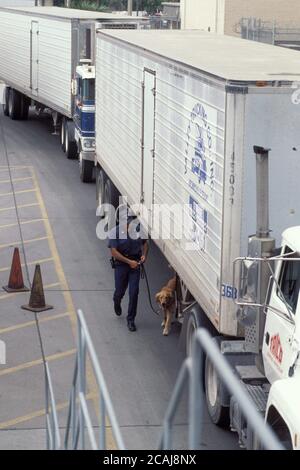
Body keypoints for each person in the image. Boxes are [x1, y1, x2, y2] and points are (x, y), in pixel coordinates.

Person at [108, 216, 149, 332]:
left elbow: (145, 244)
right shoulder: (114, 232)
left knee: (134, 292)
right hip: (121, 264)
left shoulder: (138, 231)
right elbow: (114, 252)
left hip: (135, 264)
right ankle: (117, 301)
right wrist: (128, 262)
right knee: (120, 290)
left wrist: (144, 255)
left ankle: (131, 320)